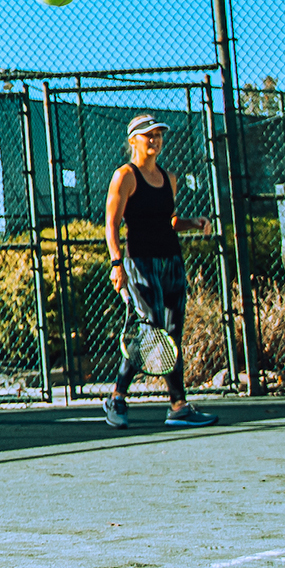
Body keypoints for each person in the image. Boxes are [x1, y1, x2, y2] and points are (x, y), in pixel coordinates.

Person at [102, 113, 216, 430]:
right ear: (133, 140)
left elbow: (170, 221)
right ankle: (117, 397)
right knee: (152, 329)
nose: (155, 139)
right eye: (148, 134)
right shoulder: (125, 176)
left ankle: (179, 406)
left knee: (172, 333)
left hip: (172, 261)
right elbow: (111, 224)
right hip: (140, 262)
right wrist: (116, 264)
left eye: (158, 134)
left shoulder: (170, 178)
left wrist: (193, 223)